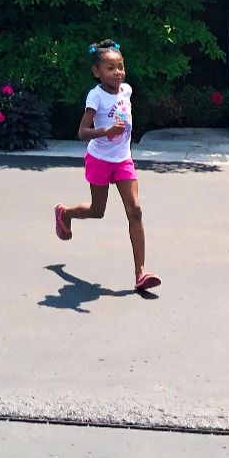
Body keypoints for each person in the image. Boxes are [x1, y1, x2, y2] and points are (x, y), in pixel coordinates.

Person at [54, 40, 160, 293]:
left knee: (135, 210)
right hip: (99, 159)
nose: (118, 73)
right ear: (97, 72)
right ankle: (65, 214)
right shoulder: (95, 96)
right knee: (97, 210)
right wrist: (107, 131)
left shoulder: (127, 91)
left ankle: (141, 273)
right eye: (111, 68)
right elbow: (81, 132)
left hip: (123, 159)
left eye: (121, 67)